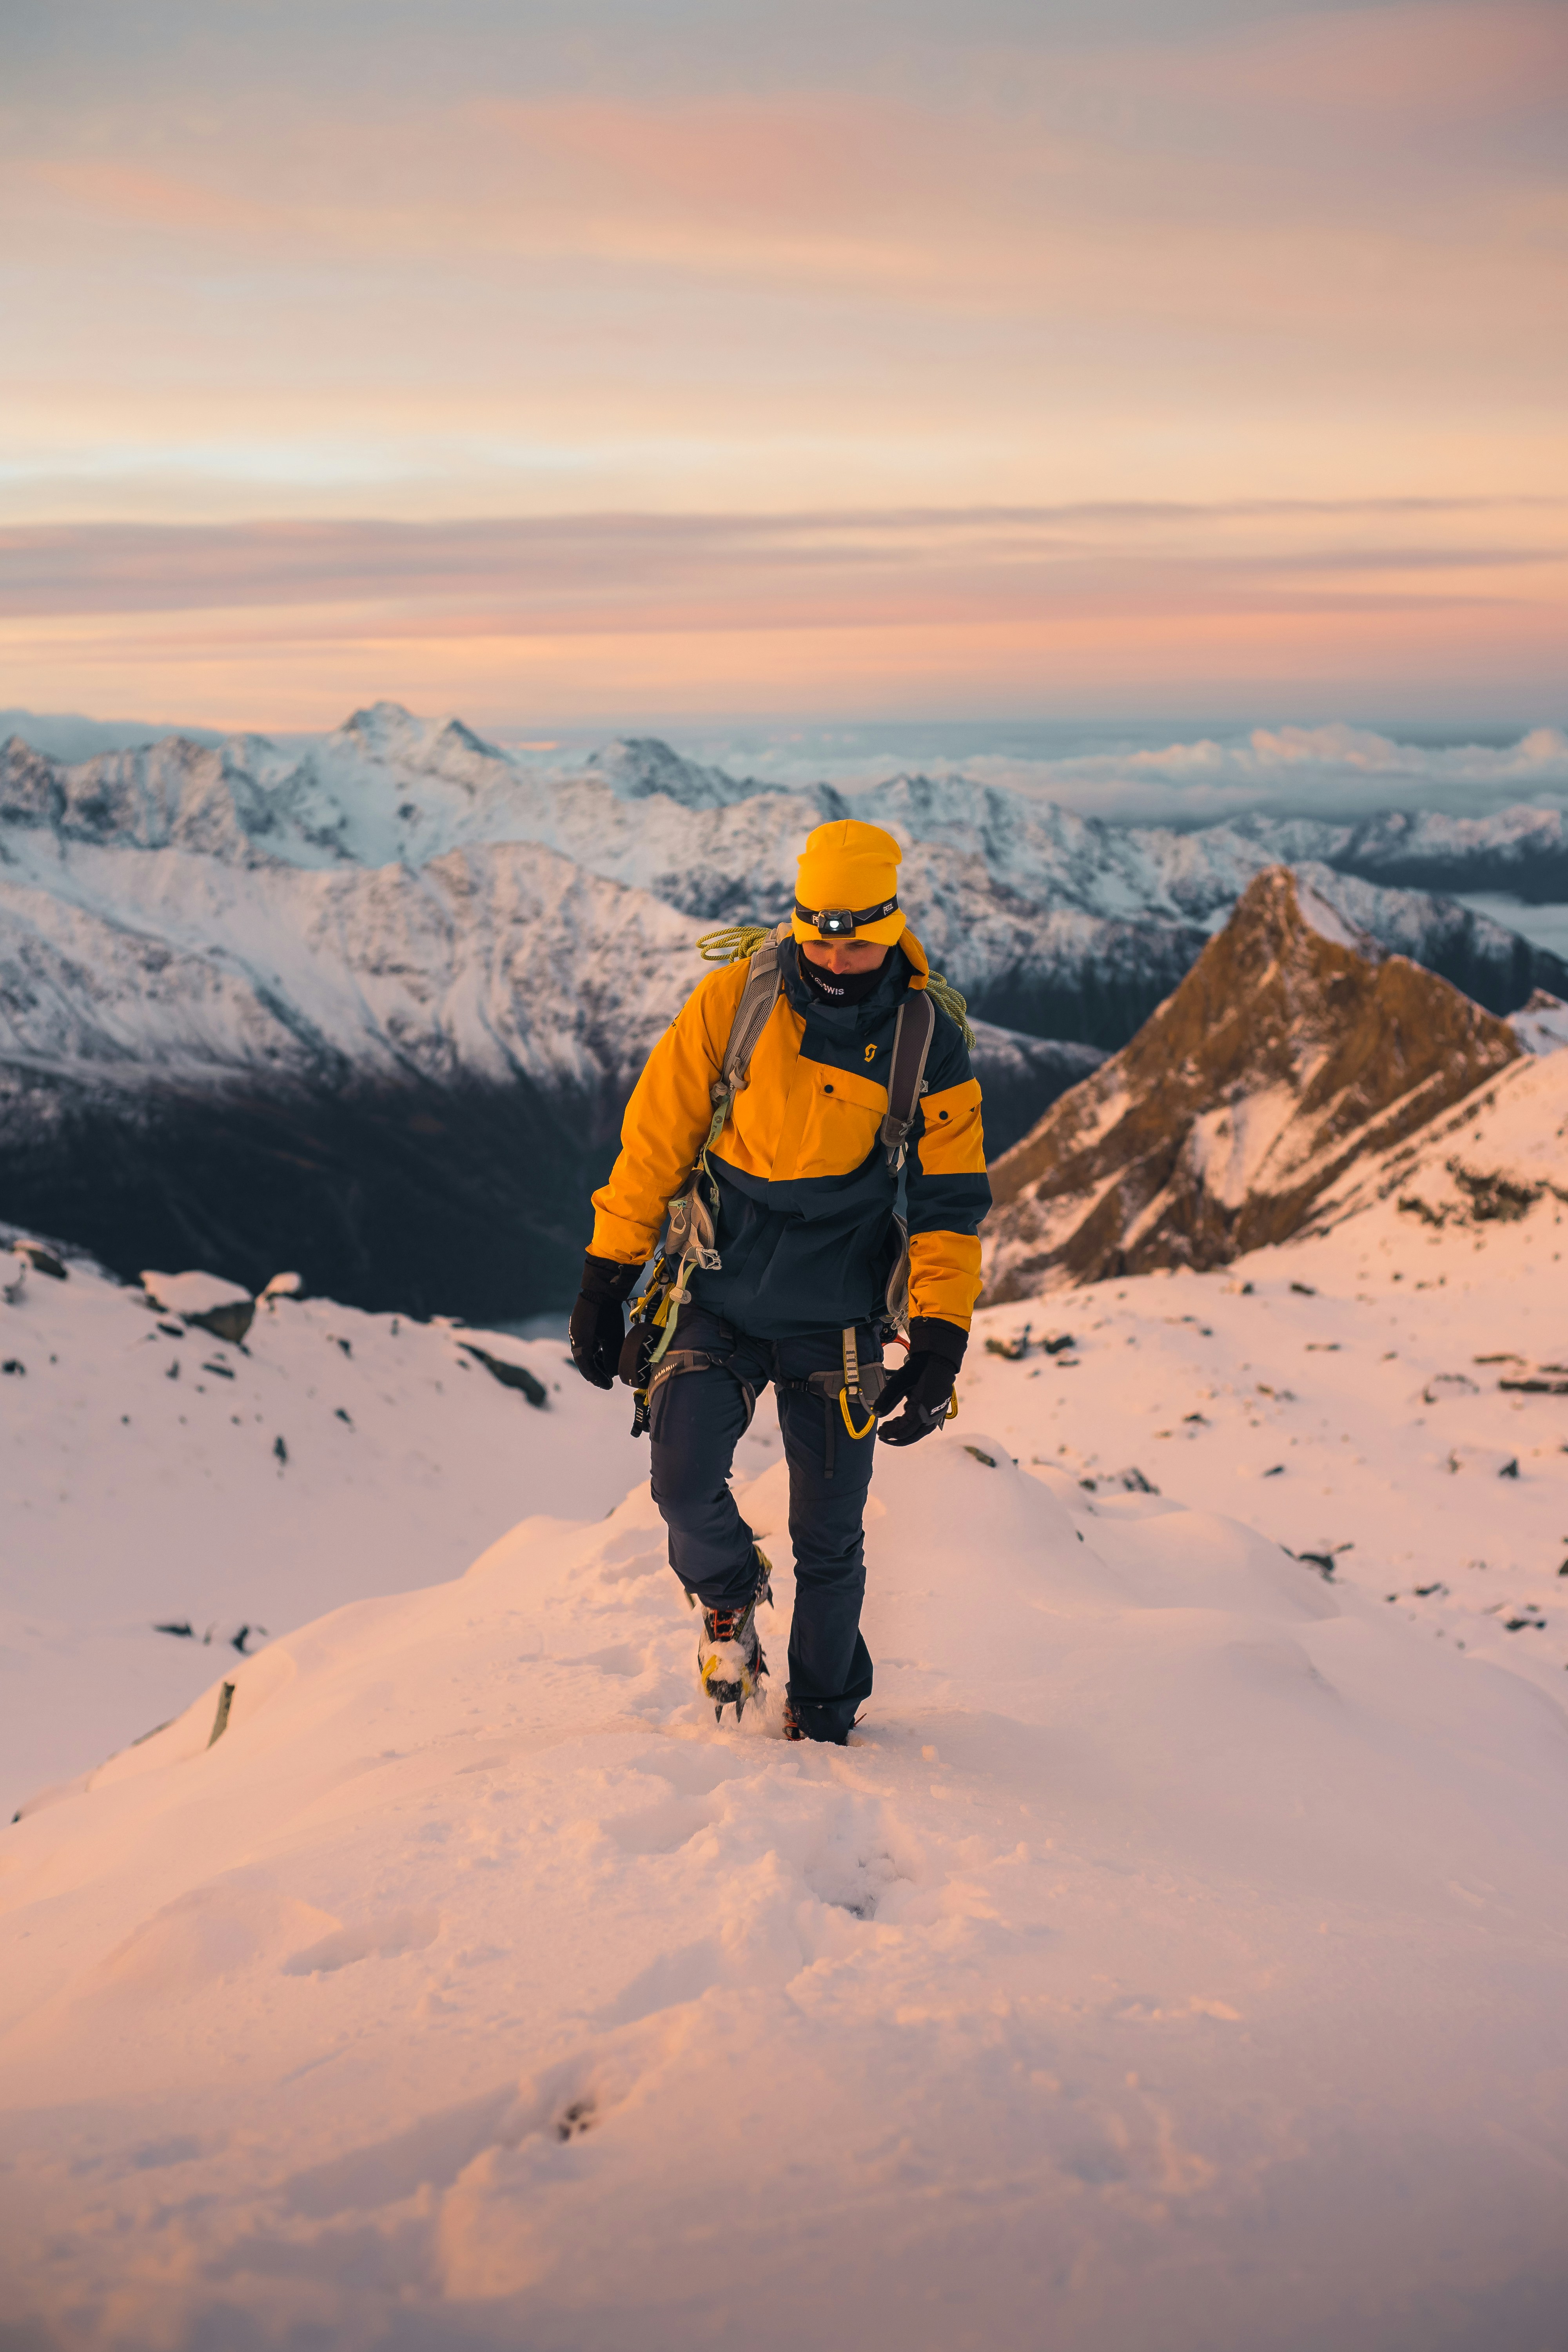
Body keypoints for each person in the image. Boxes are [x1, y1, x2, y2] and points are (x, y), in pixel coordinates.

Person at [569, 819, 990, 1742]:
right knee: (681, 1488)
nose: (837, 954)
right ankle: (729, 1595)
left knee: (830, 1542)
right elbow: (655, 1144)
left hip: (836, 1321)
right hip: (712, 1295)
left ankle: (825, 1717)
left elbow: (948, 1205)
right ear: (797, 920)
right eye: (820, 931)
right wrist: (607, 1274)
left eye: (860, 934)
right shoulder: (736, 1000)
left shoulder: (930, 1041)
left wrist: (940, 1338)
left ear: (893, 922)